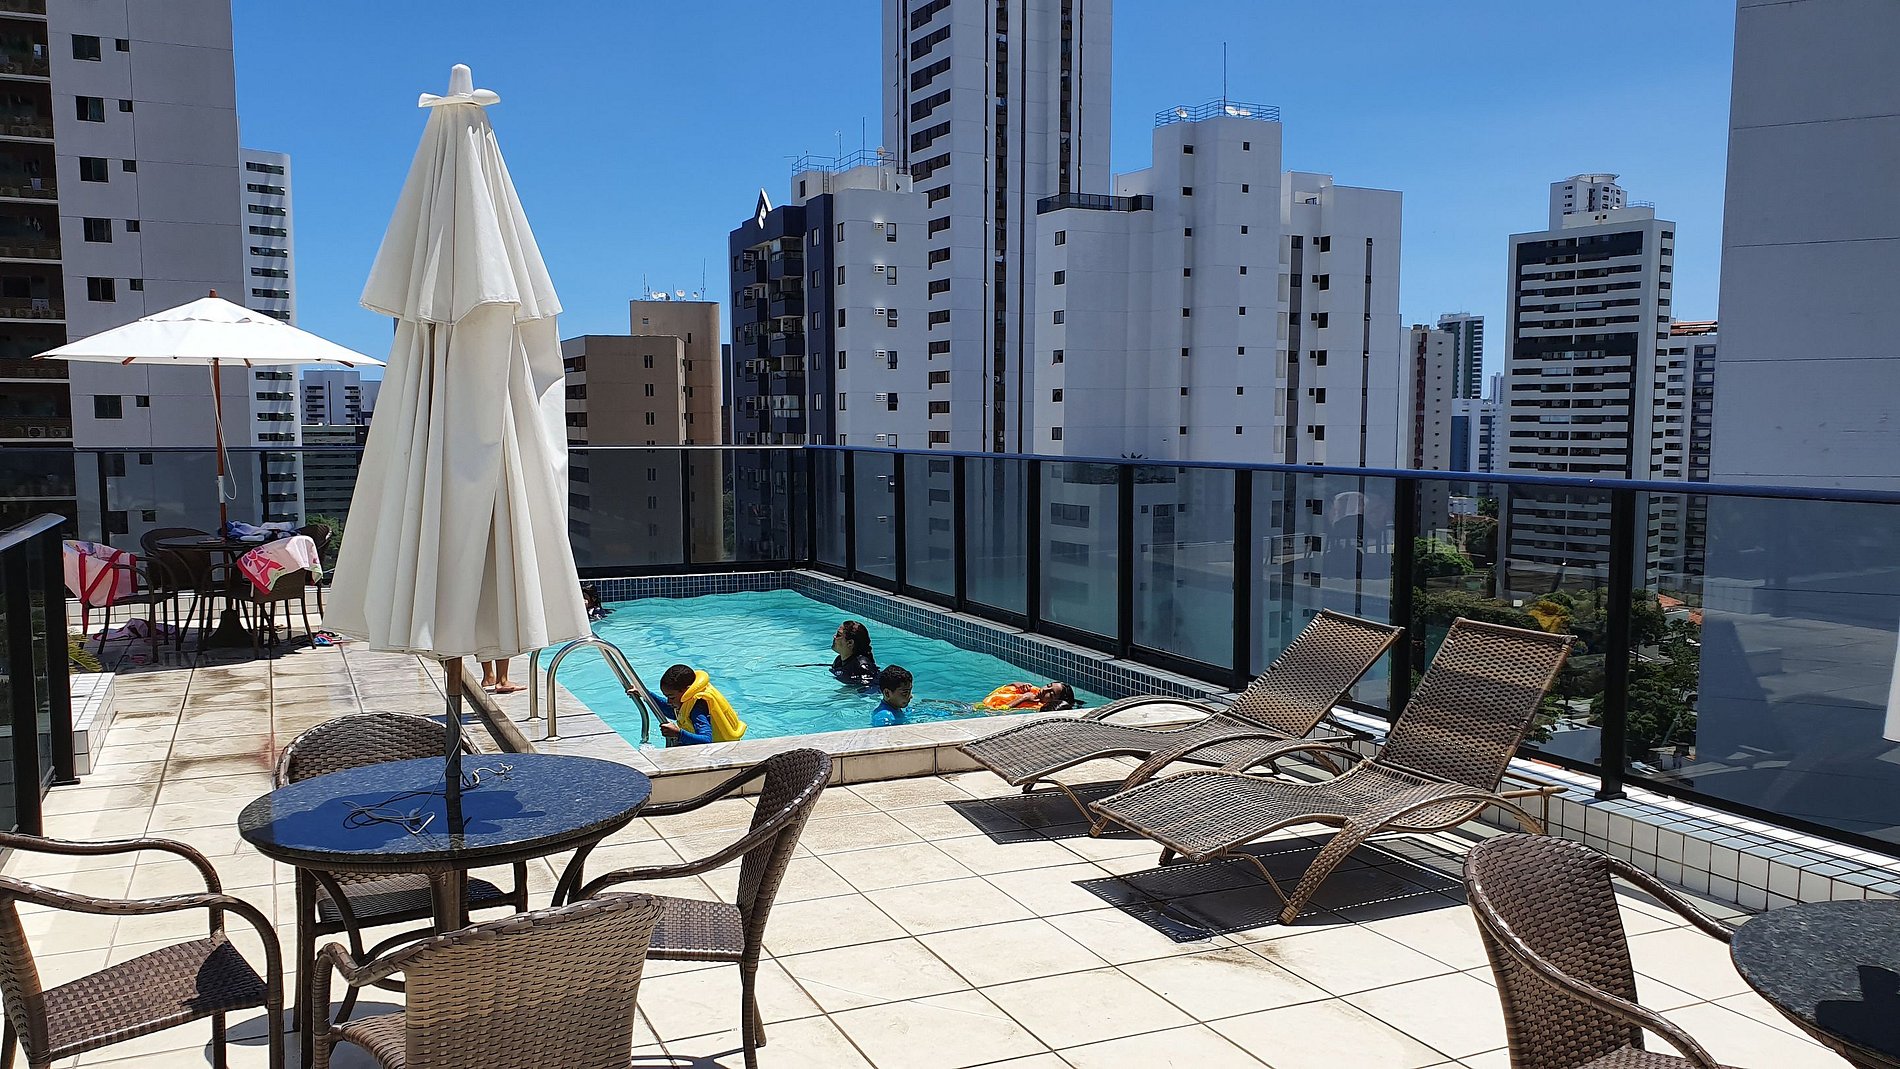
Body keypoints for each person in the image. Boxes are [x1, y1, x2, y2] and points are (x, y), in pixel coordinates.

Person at [652, 663, 747, 746]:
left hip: (720, 752)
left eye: (671, 697)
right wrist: (647, 695)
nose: (669, 702)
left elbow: (706, 740)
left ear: (687, 690)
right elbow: (673, 712)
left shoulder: (698, 708)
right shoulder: (688, 700)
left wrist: (678, 733)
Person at [829, 620, 879, 687]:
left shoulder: (862, 667)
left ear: (850, 643)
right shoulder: (839, 661)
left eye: (838, 635)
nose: (834, 636)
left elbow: (872, 688)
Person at [976, 681, 1077, 712]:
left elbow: (999, 711)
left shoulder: (1039, 709)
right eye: (1048, 685)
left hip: (982, 710)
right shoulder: (1032, 690)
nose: (1044, 690)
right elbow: (997, 693)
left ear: (1055, 702)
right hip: (980, 705)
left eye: (1050, 694)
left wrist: (1023, 698)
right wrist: (1015, 684)